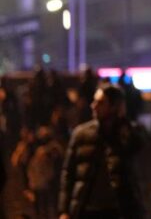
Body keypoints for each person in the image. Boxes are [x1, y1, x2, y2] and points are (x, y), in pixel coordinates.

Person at [58, 84, 145, 219]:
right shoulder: (81, 134)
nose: (94, 106)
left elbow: (137, 145)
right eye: (94, 101)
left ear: (114, 106)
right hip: (86, 208)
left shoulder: (126, 132)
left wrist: (122, 121)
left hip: (117, 210)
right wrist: (64, 210)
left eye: (100, 103)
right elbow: (68, 173)